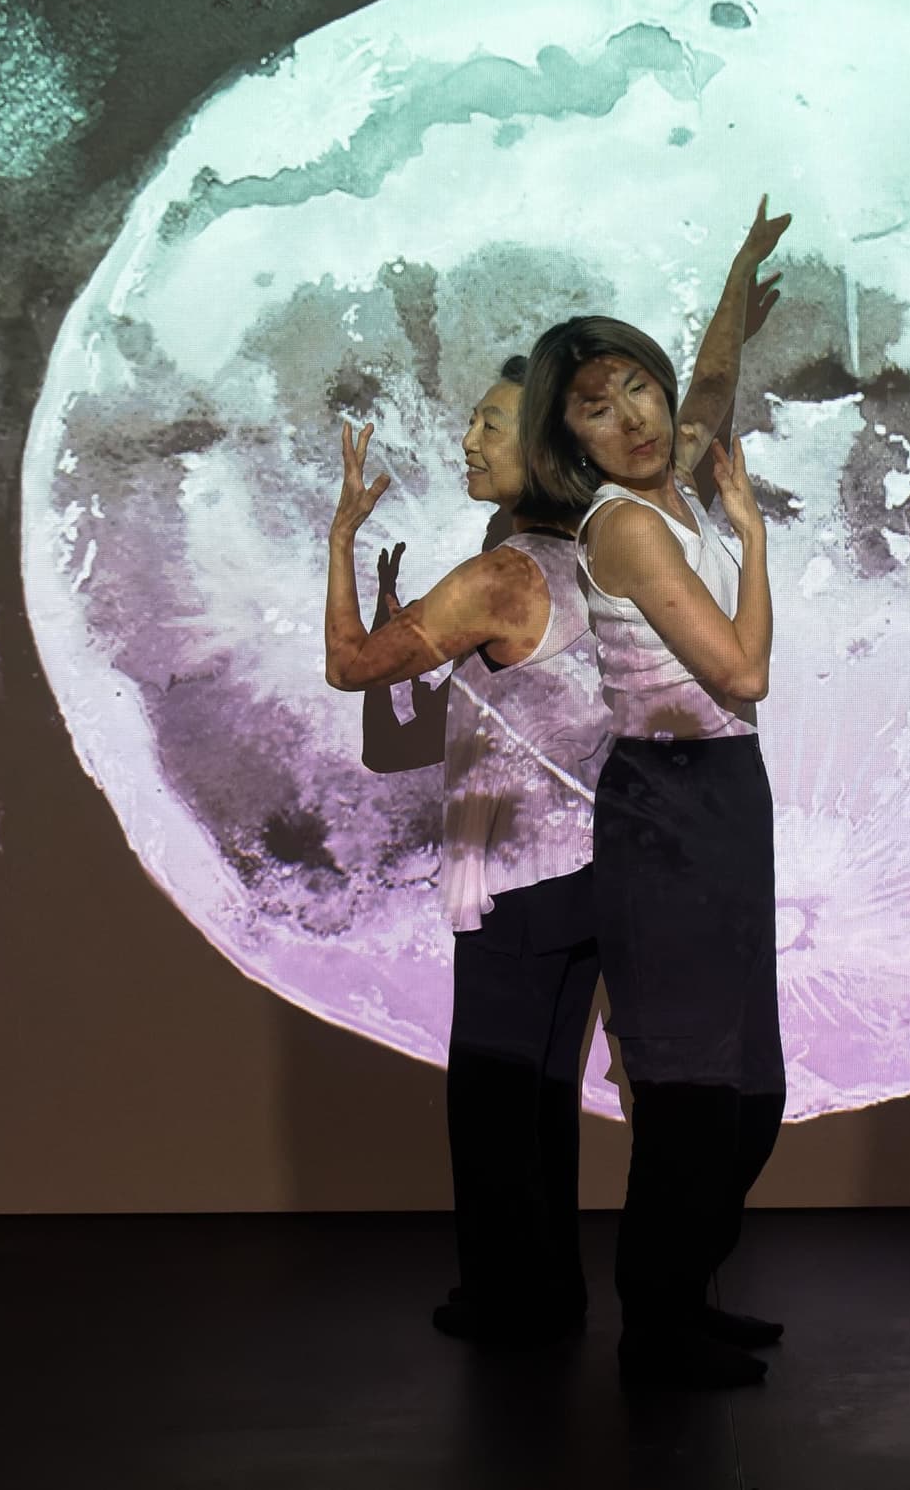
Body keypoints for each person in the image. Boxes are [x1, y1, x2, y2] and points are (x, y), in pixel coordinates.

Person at [517, 195, 792, 1389]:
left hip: (728, 798)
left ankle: (681, 1292)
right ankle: (655, 1323)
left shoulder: (676, 462)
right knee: (687, 1092)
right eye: (596, 404)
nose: (631, 415)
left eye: (637, 386)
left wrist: (735, 277)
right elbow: (741, 671)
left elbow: (712, 384)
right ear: (570, 439)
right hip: (667, 808)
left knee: (752, 1091)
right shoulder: (628, 527)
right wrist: (755, 537)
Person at [325, 357, 604, 1344]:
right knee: (539, 1099)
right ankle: (549, 1290)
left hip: (520, 879)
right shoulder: (601, 562)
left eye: (488, 425)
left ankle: (504, 1300)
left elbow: (350, 666)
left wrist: (343, 539)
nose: (468, 441)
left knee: (494, 1102)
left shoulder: (501, 575)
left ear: (538, 449)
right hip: (587, 868)